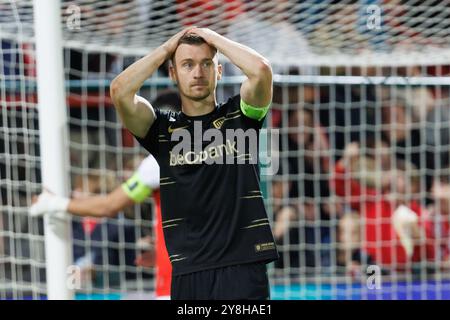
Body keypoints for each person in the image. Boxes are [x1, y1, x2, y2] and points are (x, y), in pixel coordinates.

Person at [109, 27, 278, 300]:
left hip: (243, 268)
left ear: (218, 71)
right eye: (187, 65)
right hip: (189, 272)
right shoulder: (161, 130)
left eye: (206, 64)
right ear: (173, 74)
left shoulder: (242, 116)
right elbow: (119, 91)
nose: (198, 72)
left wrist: (214, 39)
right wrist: (167, 48)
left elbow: (261, 69)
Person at [29, 154, 172, 300]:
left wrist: (54, 203)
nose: (74, 194)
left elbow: (109, 205)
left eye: (81, 190)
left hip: (152, 289)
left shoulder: (121, 228)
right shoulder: (73, 227)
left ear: (98, 194)